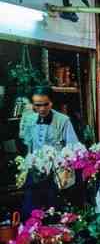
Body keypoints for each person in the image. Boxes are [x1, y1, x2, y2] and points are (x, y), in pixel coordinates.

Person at [19, 86, 79, 218]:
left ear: (51, 102)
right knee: (30, 211)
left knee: (54, 212)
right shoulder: (29, 120)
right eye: (37, 105)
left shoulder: (63, 120)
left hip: (55, 175)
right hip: (35, 174)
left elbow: (73, 147)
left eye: (45, 104)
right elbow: (29, 147)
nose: (42, 109)